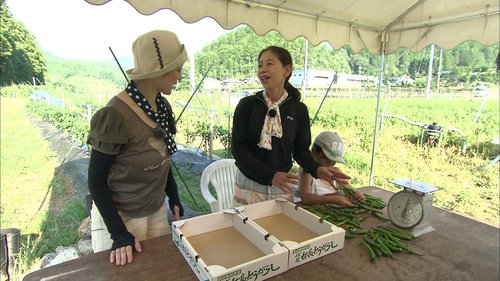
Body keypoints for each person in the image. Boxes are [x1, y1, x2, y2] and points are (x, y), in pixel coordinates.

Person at [87, 30, 187, 266]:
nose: (180, 76)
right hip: (123, 217)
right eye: (177, 69)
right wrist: (119, 233)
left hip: (155, 210)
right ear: (158, 71)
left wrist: (173, 195)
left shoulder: (161, 106)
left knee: (158, 270)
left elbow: (163, 156)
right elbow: (96, 180)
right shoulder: (116, 114)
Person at [231, 46, 350, 205]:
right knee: (247, 228)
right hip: (249, 183)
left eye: (269, 64)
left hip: (282, 184)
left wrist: (317, 169)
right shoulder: (247, 105)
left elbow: (300, 151)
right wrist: (270, 175)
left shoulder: (298, 110)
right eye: (260, 65)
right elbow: (239, 150)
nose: (263, 69)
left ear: (286, 70)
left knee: (279, 228)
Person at [299, 131, 365, 206]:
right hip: (315, 214)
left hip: (335, 213)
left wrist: (357, 194)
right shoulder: (308, 173)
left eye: (334, 161)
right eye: (327, 158)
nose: (330, 163)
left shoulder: (336, 172)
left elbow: (349, 189)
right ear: (314, 152)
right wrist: (334, 199)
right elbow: (306, 198)